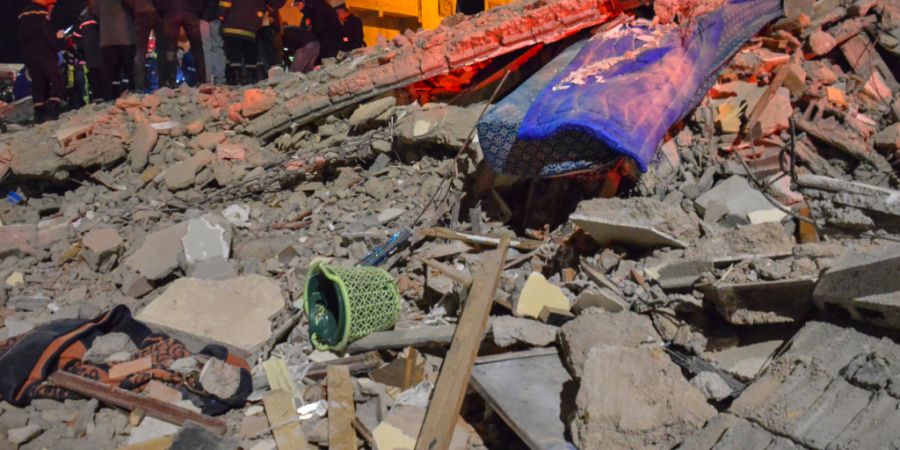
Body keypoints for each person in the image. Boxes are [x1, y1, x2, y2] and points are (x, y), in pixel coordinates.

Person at [17, 0, 65, 123]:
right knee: (57, 80)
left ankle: (39, 115)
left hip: (29, 54)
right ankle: (53, 111)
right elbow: (46, 34)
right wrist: (57, 39)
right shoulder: (41, 13)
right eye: (51, 6)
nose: (52, 9)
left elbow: (22, 36)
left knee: (38, 82)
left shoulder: (23, 14)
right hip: (44, 53)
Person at [219, 0, 285, 85]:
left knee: (233, 54)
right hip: (251, 26)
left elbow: (225, 4)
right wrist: (266, 12)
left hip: (233, 24)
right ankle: (252, 78)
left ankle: (236, 78)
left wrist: (220, 15)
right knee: (251, 54)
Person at [155, 0, 206, 88]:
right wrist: (197, 10)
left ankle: (171, 81)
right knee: (197, 48)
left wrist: (164, 10)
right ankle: (202, 80)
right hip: (191, 12)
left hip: (171, 12)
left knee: (170, 49)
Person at [94, 0, 135, 100]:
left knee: (110, 73)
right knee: (129, 70)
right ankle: (131, 93)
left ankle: (110, 96)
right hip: (125, 37)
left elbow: (96, 11)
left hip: (107, 38)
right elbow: (132, 6)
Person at [122, 0, 161, 92]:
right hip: (158, 12)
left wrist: (136, 6)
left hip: (140, 12)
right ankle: (165, 83)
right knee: (163, 48)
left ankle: (139, 86)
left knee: (140, 50)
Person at [74, 6, 103, 101]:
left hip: (89, 56)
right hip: (101, 54)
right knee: (102, 76)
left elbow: (77, 40)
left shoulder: (81, 23)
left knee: (92, 77)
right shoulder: (98, 20)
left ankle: (96, 97)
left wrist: (82, 52)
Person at [284, 1, 318, 73]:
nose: (297, 8)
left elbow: (280, 52)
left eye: (297, 5)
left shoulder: (280, 33)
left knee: (294, 74)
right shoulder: (289, 29)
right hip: (315, 44)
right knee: (307, 72)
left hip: (306, 45)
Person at [199, 0, 225, 84]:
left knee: (206, 49)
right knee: (218, 48)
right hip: (216, 17)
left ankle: (208, 78)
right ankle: (220, 78)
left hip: (202, 17)